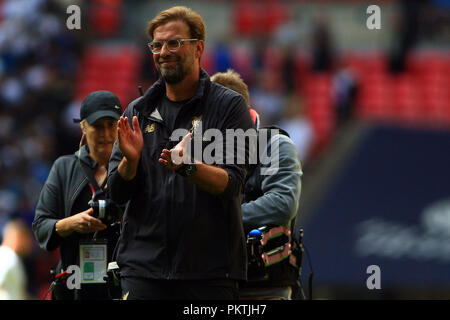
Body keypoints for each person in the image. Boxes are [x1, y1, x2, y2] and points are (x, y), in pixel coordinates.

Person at [107, 6, 254, 300]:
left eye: (174, 42)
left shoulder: (229, 107)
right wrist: (130, 161)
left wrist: (189, 167)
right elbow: (116, 193)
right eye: (157, 45)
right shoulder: (138, 111)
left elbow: (234, 182)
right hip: (142, 270)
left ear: (198, 47)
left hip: (209, 273)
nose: (164, 51)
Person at [211, 69, 303, 300]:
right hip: (213, 286)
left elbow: (282, 203)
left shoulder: (274, 146)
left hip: (267, 288)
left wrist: (215, 219)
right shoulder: (200, 154)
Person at [32, 90, 123, 300]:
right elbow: (40, 227)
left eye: (112, 125)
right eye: (97, 126)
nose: (106, 134)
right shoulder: (64, 168)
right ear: (82, 126)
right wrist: (71, 224)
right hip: (74, 286)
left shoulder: (132, 166)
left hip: (123, 284)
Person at [0, 219, 33, 300]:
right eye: (27, 238)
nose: (29, 243)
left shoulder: (11, 256)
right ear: (18, 237)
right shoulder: (8, 256)